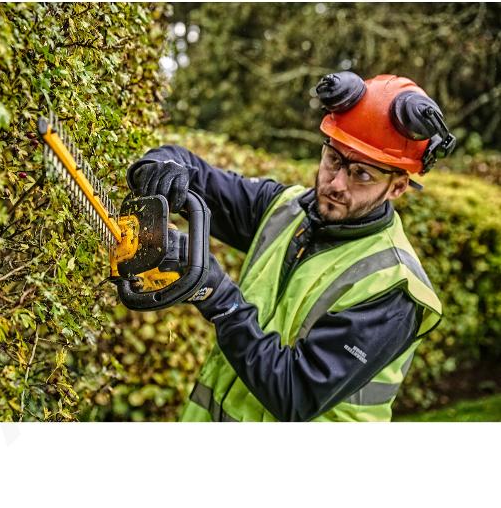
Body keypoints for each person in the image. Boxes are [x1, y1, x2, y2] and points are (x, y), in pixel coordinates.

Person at [127, 71, 456, 422]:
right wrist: (160, 166)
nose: (336, 183)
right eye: (334, 159)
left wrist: (217, 295)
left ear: (397, 187)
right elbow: (196, 173)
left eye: (362, 174)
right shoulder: (283, 208)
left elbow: (295, 395)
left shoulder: (394, 287)